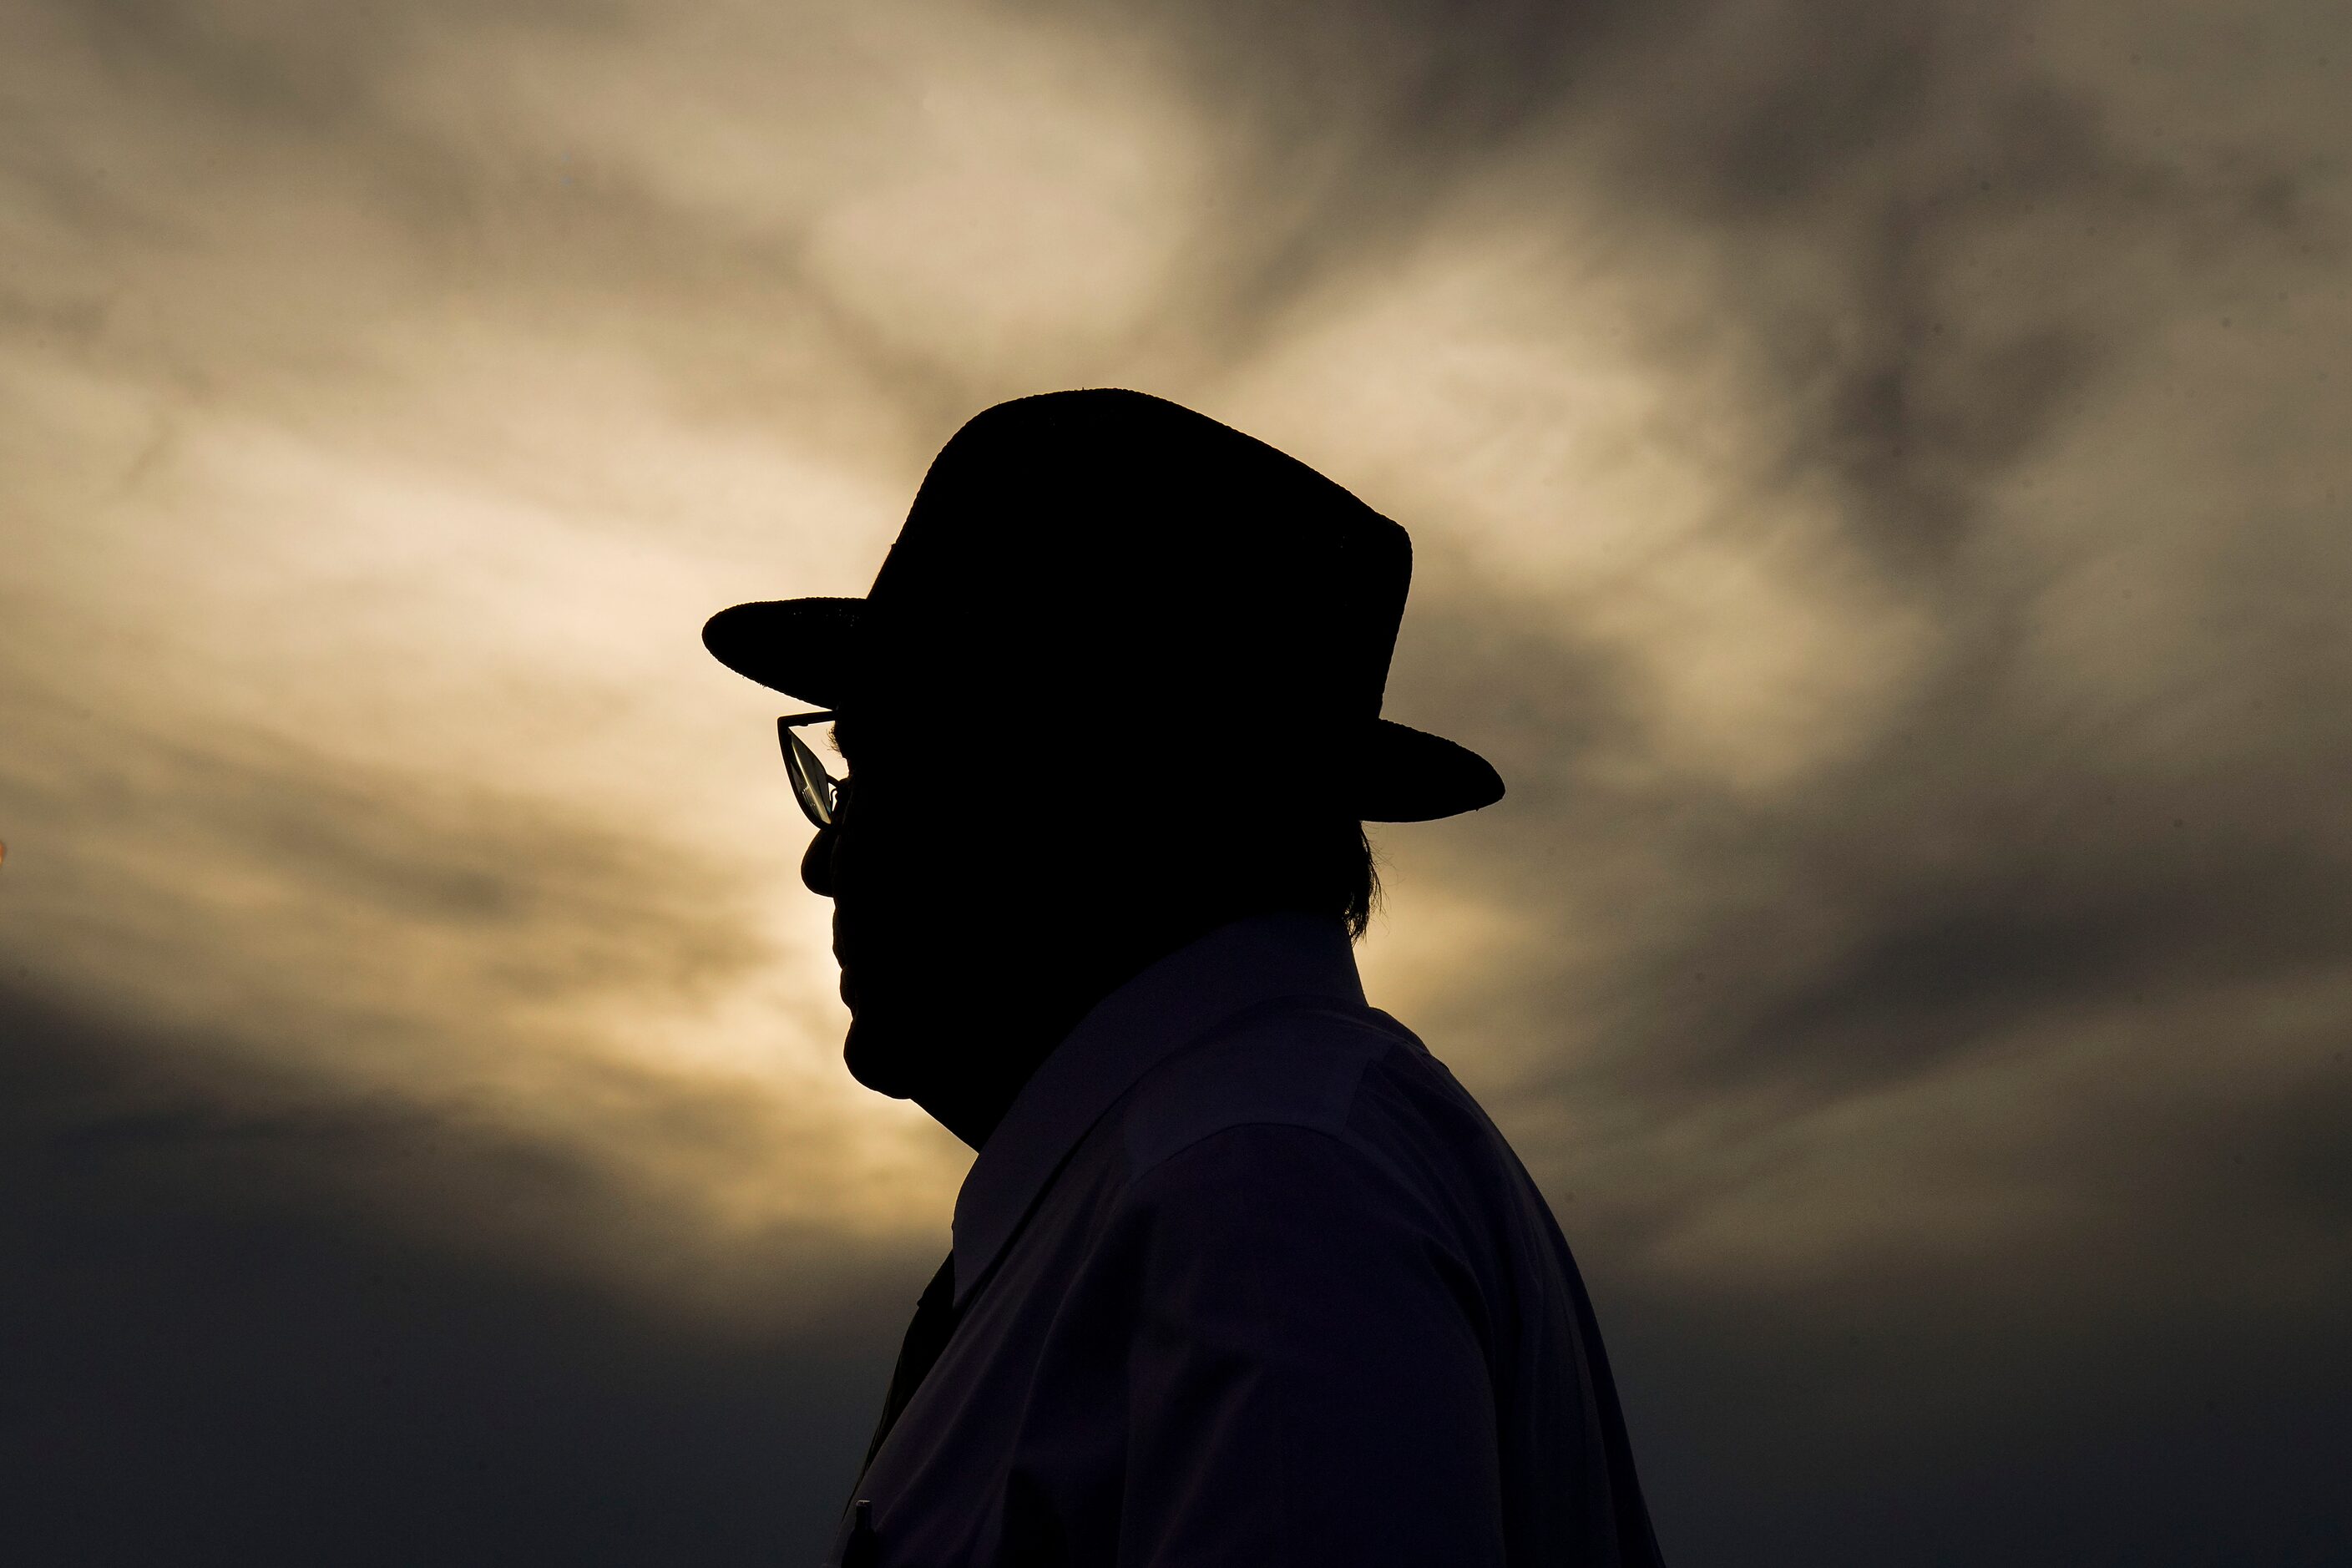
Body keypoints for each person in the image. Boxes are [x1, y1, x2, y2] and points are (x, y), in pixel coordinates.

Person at [703, 389, 1665, 1567]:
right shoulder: (1239, 1166)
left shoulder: (1258, 1189)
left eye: (877, 772)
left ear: (1072, 792)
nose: (822, 854)